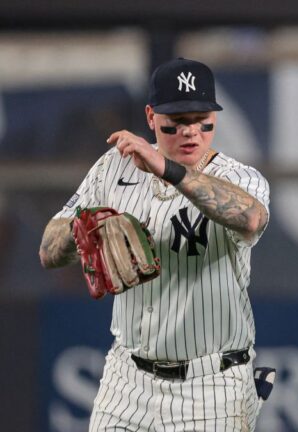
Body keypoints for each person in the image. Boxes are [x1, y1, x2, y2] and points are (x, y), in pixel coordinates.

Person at [38, 57, 271, 430]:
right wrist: (85, 226)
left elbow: (251, 217)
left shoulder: (240, 177)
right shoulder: (113, 167)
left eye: (201, 120)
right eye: (176, 122)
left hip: (210, 385)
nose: (190, 132)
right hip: (126, 379)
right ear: (150, 117)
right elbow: (48, 252)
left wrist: (166, 168)